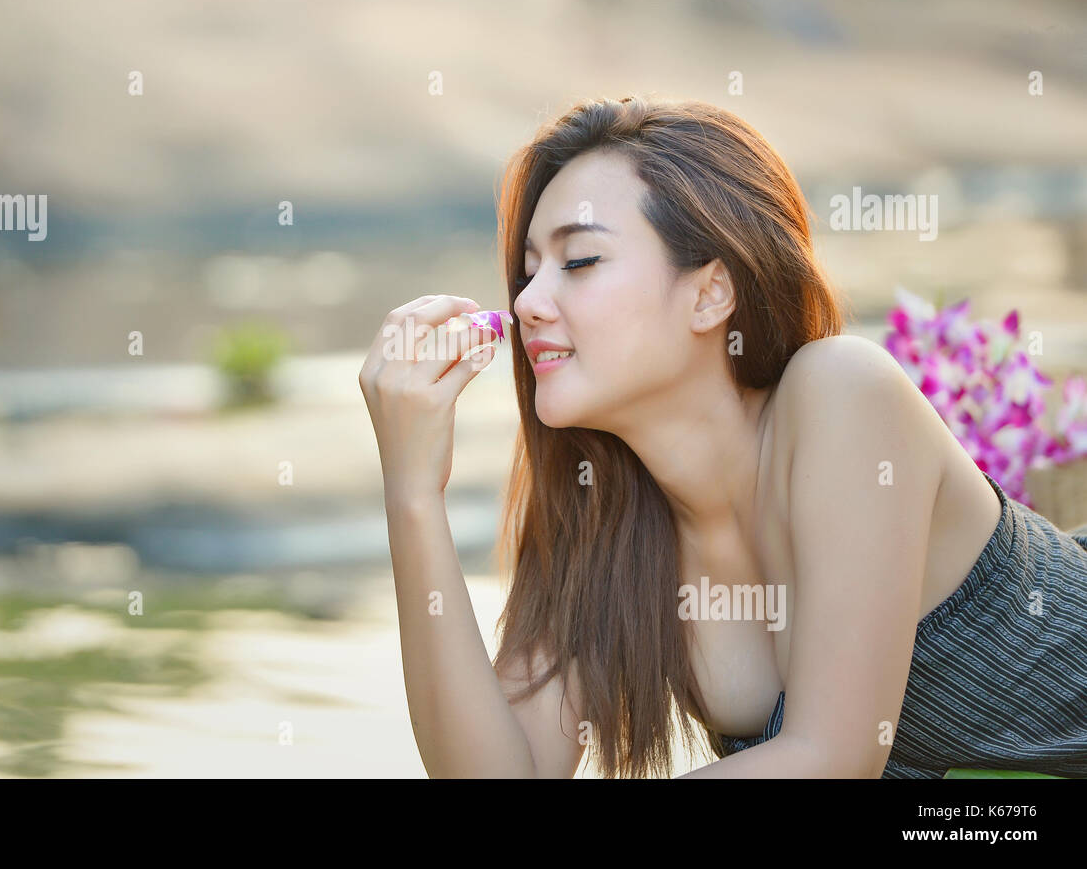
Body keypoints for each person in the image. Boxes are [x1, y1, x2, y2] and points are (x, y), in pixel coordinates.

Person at [357, 93, 1087, 778]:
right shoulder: (601, 523)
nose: (527, 304)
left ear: (710, 292)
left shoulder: (844, 392)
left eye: (578, 261)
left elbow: (831, 757)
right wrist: (412, 493)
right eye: (527, 272)